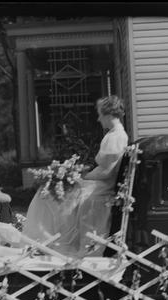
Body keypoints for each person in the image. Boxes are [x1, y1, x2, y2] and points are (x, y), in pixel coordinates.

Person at [24, 95, 129, 257]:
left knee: (49, 197)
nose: (98, 118)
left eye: (100, 114)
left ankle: (47, 241)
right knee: (48, 193)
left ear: (108, 114)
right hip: (98, 185)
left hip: (101, 189)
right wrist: (78, 175)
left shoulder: (116, 137)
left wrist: (82, 177)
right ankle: (44, 240)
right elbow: (104, 169)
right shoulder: (114, 134)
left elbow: (107, 172)